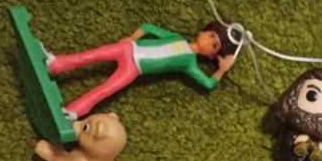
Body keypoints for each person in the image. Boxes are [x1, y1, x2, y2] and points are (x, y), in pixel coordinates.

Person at [44, 21, 241, 118]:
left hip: (134, 68)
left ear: (212, 55)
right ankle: (56, 63)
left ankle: (73, 111)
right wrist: (132, 37)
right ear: (202, 32)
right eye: (211, 35)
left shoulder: (189, 63)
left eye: (214, 45)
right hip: (128, 48)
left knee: (105, 90)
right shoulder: (176, 37)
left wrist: (222, 70)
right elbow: (148, 27)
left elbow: (207, 83)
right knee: (91, 55)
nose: (209, 42)